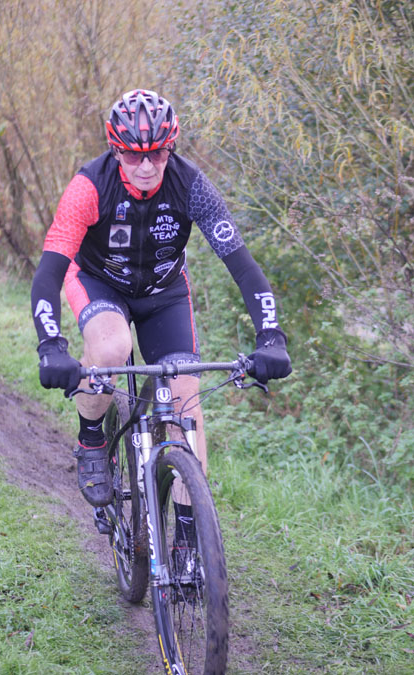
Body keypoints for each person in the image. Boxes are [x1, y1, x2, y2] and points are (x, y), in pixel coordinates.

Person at [31, 89, 292, 509]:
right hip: (99, 281)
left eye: (157, 153)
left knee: (186, 407)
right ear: (115, 150)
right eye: (134, 155)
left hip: (164, 291)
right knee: (111, 348)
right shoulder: (89, 187)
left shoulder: (190, 185)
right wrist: (51, 346)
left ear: (171, 147)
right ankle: (92, 439)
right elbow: (48, 274)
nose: (147, 166)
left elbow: (244, 268)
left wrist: (271, 337)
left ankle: (191, 533)